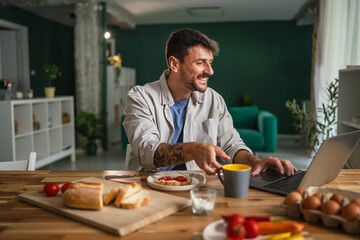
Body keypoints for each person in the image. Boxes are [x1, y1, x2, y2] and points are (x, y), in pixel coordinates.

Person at [123, 28, 297, 176]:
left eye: (210, 62)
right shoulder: (140, 97)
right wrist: (192, 150)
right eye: (200, 63)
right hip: (148, 186)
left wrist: (256, 162)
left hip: (198, 185)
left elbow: (232, 145)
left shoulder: (214, 99)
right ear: (174, 64)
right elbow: (146, 152)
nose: (210, 71)